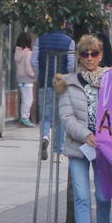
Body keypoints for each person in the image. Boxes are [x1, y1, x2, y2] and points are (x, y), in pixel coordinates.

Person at [55, 35, 112, 223]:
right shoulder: (68, 83)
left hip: (104, 148)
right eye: (85, 54)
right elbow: (66, 117)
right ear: (79, 57)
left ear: (101, 55)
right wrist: (86, 135)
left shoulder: (111, 81)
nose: (89, 58)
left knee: (103, 194)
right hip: (78, 146)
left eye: (94, 54)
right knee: (81, 194)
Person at [33, 22, 76, 159]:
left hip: (44, 83)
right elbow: (71, 66)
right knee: (60, 118)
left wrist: (39, 76)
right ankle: (58, 150)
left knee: (45, 116)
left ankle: (45, 136)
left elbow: (34, 62)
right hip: (62, 84)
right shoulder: (70, 42)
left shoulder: (39, 40)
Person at [14, 31, 36, 127]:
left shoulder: (17, 51)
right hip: (27, 79)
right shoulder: (28, 53)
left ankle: (23, 117)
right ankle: (25, 118)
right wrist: (34, 75)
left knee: (24, 99)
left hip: (20, 78)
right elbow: (28, 67)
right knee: (29, 100)